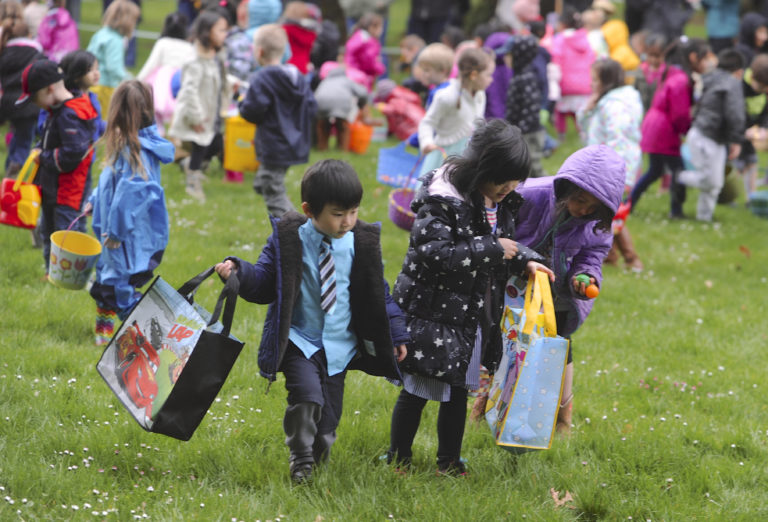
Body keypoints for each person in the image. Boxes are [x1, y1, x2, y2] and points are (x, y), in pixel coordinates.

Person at [214, 159, 409, 483]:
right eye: (337, 213)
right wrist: (239, 272)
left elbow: (379, 294)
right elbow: (264, 281)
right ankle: (301, 455)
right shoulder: (289, 239)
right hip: (299, 341)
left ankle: (317, 457)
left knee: (329, 416)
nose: (347, 221)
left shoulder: (360, 242)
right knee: (306, 399)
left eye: (353, 211)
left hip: (339, 347)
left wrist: (397, 333)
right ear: (309, 209)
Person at [386, 119, 551, 475]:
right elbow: (435, 252)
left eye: (515, 180)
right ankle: (398, 458)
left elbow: (501, 248)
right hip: (430, 312)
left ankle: (448, 462)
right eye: (502, 179)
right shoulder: (443, 201)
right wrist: (493, 248)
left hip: (467, 316)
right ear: (480, 171)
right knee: (416, 389)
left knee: (457, 391)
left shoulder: (495, 201)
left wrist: (527, 262)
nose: (510, 187)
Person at [514, 144, 625, 434]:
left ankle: (563, 418)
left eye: (593, 207)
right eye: (579, 201)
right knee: (505, 344)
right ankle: (488, 405)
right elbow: (499, 233)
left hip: (558, 293)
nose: (584, 210)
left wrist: (585, 275)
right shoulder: (528, 195)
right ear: (565, 188)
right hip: (514, 283)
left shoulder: (597, 222)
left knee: (559, 347)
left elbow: (592, 255)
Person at [87, 80, 173, 345]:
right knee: (105, 280)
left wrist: (117, 231)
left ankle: (150, 339)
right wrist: (93, 200)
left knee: (119, 287)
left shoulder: (136, 151)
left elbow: (131, 197)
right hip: (116, 232)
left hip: (126, 236)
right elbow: (108, 183)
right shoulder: (129, 144)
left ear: (119, 113)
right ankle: (105, 333)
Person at [18, 59, 97, 270]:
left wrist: (42, 157)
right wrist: (39, 148)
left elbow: (73, 153)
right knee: (48, 230)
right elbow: (48, 139)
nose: (36, 105)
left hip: (67, 190)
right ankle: (51, 272)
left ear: (50, 89)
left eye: (36, 99)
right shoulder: (58, 110)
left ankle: (70, 275)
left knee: (65, 234)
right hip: (52, 186)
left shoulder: (70, 115)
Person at [239, 23, 316, 217]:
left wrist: (240, 101)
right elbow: (312, 107)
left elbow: (252, 112)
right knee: (268, 180)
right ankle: (262, 184)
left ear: (259, 51)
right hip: (295, 142)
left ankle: (294, 227)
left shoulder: (261, 78)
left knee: (273, 192)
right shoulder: (297, 76)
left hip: (274, 144)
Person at [577, 58, 643, 272]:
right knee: (605, 211)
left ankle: (632, 259)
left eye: (595, 80)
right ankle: (610, 255)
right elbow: (587, 129)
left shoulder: (615, 106)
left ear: (606, 81)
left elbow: (619, 140)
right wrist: (588, 109)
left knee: (612, 213)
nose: (591, 84)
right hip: (605, 166)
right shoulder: (606, 101)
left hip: (614, 169)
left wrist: (611, 169)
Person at [630, 37, 708, 218]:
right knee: (678, 170)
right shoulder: (681, 79)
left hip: (655, 126)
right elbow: (680, 114)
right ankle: (676, 210)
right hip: (664, 130)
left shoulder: (672, 72)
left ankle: (630, 202)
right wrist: (686, 130)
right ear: (693, 57)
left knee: (655, 170)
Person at [168, 8, 231, 203]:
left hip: (213, 112)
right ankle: (193, 182)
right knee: (200, 146)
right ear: (206, 32)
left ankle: (190, 165)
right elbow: (189, 91)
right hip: (199, 114)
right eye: (220, 30)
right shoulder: (194, 61)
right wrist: (195, 117)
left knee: (215, 144)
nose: (225, 34)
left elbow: (220, 78)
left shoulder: (215, 55)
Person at [677, 48, 746, 222]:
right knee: (713, 182)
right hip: (709, 137)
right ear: (739, 71)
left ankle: (704, 218)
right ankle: (678, 176)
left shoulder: (710, 77)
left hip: (702, 133)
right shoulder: (732, 83)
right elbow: (735, 113)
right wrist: (737, 140)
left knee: (714, 183)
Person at [417, 47, 494, 178]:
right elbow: (427, 123)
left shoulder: (480, 95)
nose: (491, 79)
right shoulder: (446, 96)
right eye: (488, 75)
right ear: (474, 75)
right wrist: (427, 143)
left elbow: (476, 124)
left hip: (466, 158)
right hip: (443, 158)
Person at [59, 50, 107, 202]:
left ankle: (77, 224)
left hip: (87, 160)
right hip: (70, 161)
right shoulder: (66, 101)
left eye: (97, 69)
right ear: (77, 74)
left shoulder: (93, 98)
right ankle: (52, 225)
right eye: (90, 70)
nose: (96, 73)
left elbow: (97, 125)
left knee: (83, 200)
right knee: (66, 200)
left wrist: (113, 128)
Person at [0, 13, 44, 178]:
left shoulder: (4, 53)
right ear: (29, 35)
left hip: (8, 104)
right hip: (28, 103)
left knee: (16, 133)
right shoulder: (36, 53)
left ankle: (9, 167)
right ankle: (17, 164)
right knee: (26, 137)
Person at [136, 12, 194, 134]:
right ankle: (176, 138)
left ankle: (159, 134)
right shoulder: (189, 47)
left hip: (161, 82)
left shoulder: (162, 43)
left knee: (156, 111)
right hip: (179, 81)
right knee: (177, 113)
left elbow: (151, 64)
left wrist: (138, 80)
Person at [86, 0, 141, 117]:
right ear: (127, 20)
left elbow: (88, 56)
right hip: (106, 88)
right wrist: (131, 79)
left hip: (92, 85)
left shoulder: (101, 33)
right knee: (106, 122)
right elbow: (114, 69)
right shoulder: (115, 40)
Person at [503, 35, 547, 178]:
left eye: (509, 55)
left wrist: (519, 131)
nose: (505, 59)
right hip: (521, 131)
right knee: (523, 168)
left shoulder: (525, 77)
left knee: (532, 168)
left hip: (528, 133)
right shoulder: (519, 76)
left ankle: (551, 193)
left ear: (518, 55)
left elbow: (530, 107)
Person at [550, 6, 596, 141]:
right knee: (579, 111)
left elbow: (556, 60)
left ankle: (561, 136)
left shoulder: (560, 39)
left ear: (563, 23)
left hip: (566, 84)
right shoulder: (585, 38)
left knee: (561, 112)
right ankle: (583, 134)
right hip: (584, 84)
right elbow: (592, 58)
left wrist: (554, 81)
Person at [314, 64, 369, 151]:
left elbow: (316, 93)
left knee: (323, 125)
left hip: (321, 103)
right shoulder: (347, 80)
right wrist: (361, 104)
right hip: (341, 103)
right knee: (342, 125)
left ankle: (322, 147)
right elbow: (363, 93)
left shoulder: (325, 81)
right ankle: (342, 149)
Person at [736, 54, 768, 199]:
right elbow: (735, 114)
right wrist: (744, 131)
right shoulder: (739, 86)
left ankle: (751, 197)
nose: (765, 90)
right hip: (738, 133)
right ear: (753, 78)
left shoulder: (765, 87)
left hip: (753, 131)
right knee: (738, 164)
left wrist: (764, 127)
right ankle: (731, 195)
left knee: (752, 161)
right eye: (762, 87)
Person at [344, 12, 386, 91]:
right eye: (380, 27)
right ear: (371, 27)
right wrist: (380, 67)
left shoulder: (357, 37)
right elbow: (370, 63)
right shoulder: (370, 43)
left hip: (351, 75)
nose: (382, 30)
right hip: (362, 79)